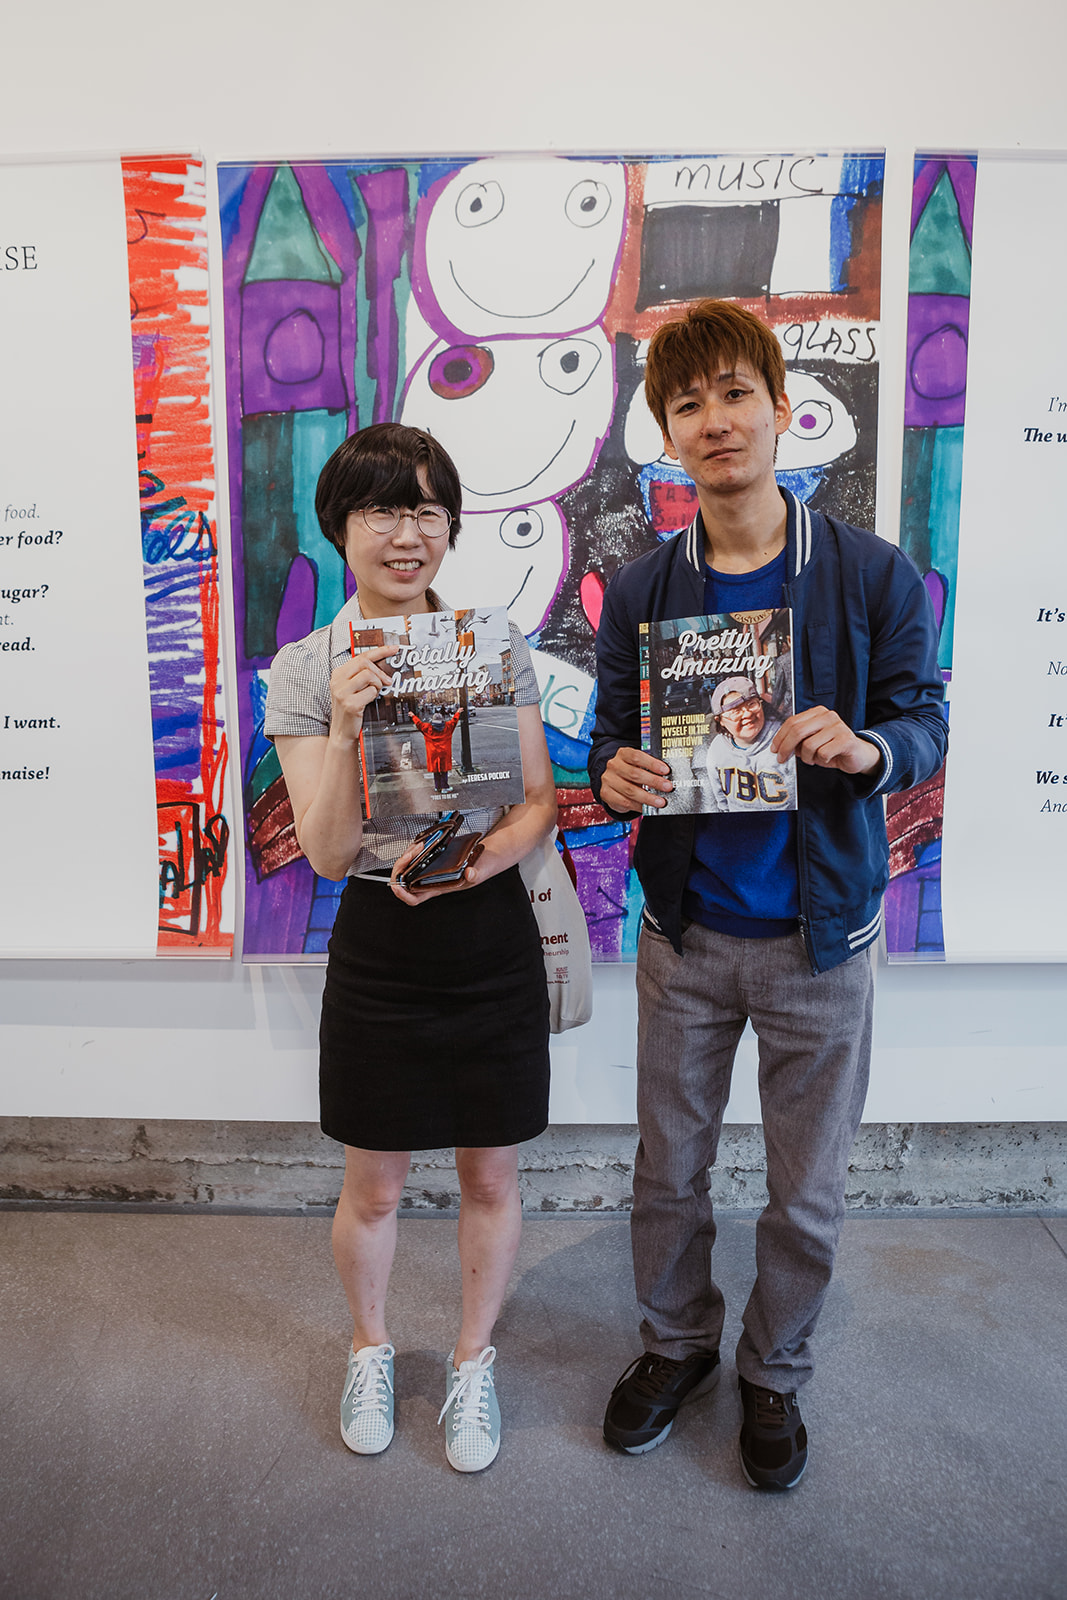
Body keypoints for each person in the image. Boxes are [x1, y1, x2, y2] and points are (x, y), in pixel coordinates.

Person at [590, 300, 947, 1490]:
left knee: (804, 1191)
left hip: (820, 935)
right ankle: (675, 1345)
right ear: (664, 434)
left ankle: (774, 1371)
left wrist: (866, 751)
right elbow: (608, 741)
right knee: (665, 1173)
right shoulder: (641, 590)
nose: (713, 421)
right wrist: (615, 772)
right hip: (685, 935)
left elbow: (923, 720)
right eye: (686, 404)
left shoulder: (870, 574)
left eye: (734, 393)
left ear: (780, 407)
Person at [266, 423, 556, 1473]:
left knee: (490, 1178)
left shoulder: (492, 643)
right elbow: (330, 849)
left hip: (487, 937)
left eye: (427, 509)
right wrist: (346, 726)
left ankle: (472, 1359)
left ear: (450, 526)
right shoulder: (305, 668)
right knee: (375, 1186)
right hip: (380, 947)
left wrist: (480, 864)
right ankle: (371, 1343)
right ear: (340, 524)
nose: (406, 533)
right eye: (382, 509)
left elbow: (537, 807)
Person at [694, 676, 796, 813]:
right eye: (735, 710)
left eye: (751, 704)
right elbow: (720, 801)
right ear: (720, 720)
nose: (747, 714)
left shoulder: (785, 738)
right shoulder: (717, 749)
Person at [409, 705, 462, 793]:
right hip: (444, 752)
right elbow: (454, 721)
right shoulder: (447, 727)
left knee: (436, 770)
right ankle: (445, 787)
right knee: (444, 770)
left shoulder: (428, 728)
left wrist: (413, 716)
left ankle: (437, 787)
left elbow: (419, 724)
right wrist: (458, 713)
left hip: (433, 752)